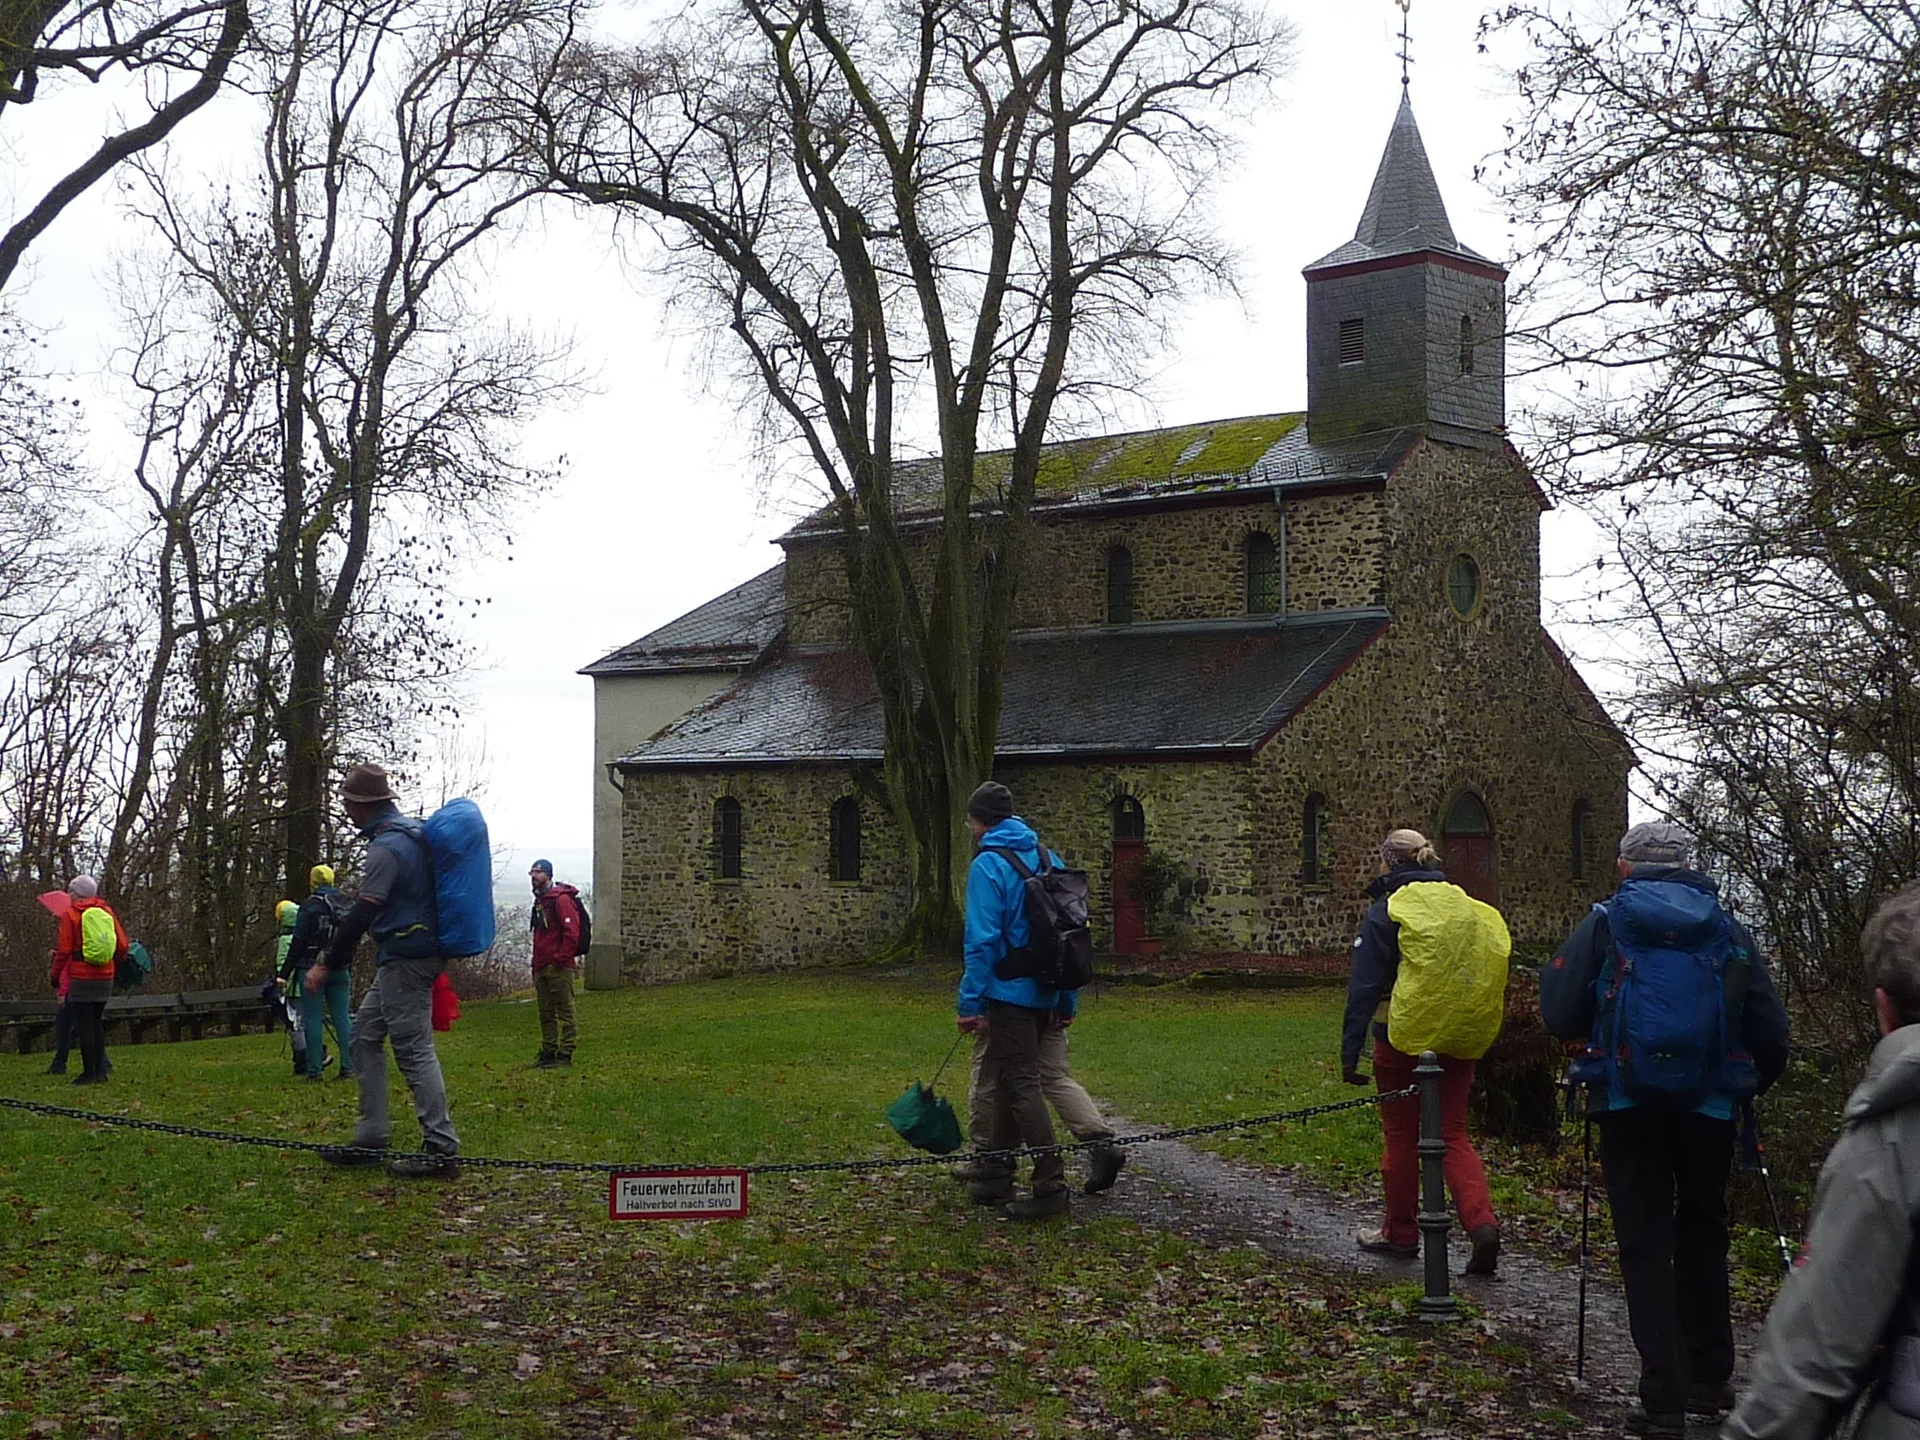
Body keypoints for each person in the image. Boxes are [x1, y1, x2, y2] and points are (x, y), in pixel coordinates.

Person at [1541, 821, 1789, 1440]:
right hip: (1708, 1109)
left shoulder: (1607, 921)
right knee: (1704, 1231)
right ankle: (1710, 1380)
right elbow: (1771, 1032)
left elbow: (1560, 1012)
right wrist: (1746, 1085)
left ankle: (1662, 1401)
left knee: (1645, 1242)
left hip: (1626, 1103)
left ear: (1625, 867)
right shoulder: (1725, 926)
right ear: (1688, 864)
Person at [1723, 880, 1920, 1439]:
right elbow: (1772, 1032)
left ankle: (1671, 1380)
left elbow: (1812, 1358)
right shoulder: (1729, 935)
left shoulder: (1894, 1132)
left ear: (1884, 1008)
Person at [1341, 828, 1504, 1276]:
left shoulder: (1388, 909)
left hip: (1402, 1037)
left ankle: (1400, 1231)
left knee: (1400, 1135)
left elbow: (1366, 986)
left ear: (1388, 863)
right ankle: (1481, 1223)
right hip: (1459, 1035)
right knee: (1452, 1133)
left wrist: (1349, 1052)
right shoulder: (1463, 904)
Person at [307, 763, 460, 1179]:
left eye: (348, 804)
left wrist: (326, 963)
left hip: (408, 956)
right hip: (405, 953)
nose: (347, 811)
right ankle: (372, 1137)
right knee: (363, 1036)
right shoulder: (409, 834)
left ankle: (441, 1148)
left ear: (360, 806)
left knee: (413, 1049)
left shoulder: (386, 848)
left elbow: (363, 912)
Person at [957, 780, 1076, 1221]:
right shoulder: (1048, 858)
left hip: (1008, 994)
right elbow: (1070, 934)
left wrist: (971, 1003)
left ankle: (1050, 1185)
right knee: (1010, 1080)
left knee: (1023, 1085)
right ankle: (996, 1171)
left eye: (970, 820)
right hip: (1046, 991)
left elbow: (982, 941)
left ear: (979, 821)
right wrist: (1067, 999)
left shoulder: (989, 865)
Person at [952, 1000, 1126, 1195]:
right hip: (1049, 1003)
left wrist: (971, 1009)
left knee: (990, 1080)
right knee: (1055, 1078)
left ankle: (987, 1155)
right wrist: (1066, 1005)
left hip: (1005, 1007)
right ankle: (1101, 1142)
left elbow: (980, 968)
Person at [52, 875, 128, 1086]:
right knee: (96, 1022)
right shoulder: (107, 911)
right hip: (106, 975)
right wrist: (114, 963)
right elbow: (122, 944)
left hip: (81, 975)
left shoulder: (71, 915)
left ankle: (89, 1073)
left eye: (71, 892)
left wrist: (55, 974)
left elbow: (65, 949)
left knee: (85, 1024)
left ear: (76, 894)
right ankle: (100, 1071)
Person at [285, 865, 353, 1083]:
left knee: (312, 1019)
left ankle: (315, 1070)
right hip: (340, 967)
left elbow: (298, 941)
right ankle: (348, 1067)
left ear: (312, 881)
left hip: (310, 967)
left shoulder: (309, 906)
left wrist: (284, 972)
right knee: (342, 1018)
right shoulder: (345, 903)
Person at [527, 859, 583, 1069]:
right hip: (541, 966)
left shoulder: (561, 899)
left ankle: (566, 1052)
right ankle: (548, 1051)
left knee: (565, 1010)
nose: (534, 876)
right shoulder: (540, 901)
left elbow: (572, 933)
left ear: (549, 875)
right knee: (545, 1012)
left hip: (559, 966)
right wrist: (537, 964)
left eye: (538, 872)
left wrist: (559, 959)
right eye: (531, 872)